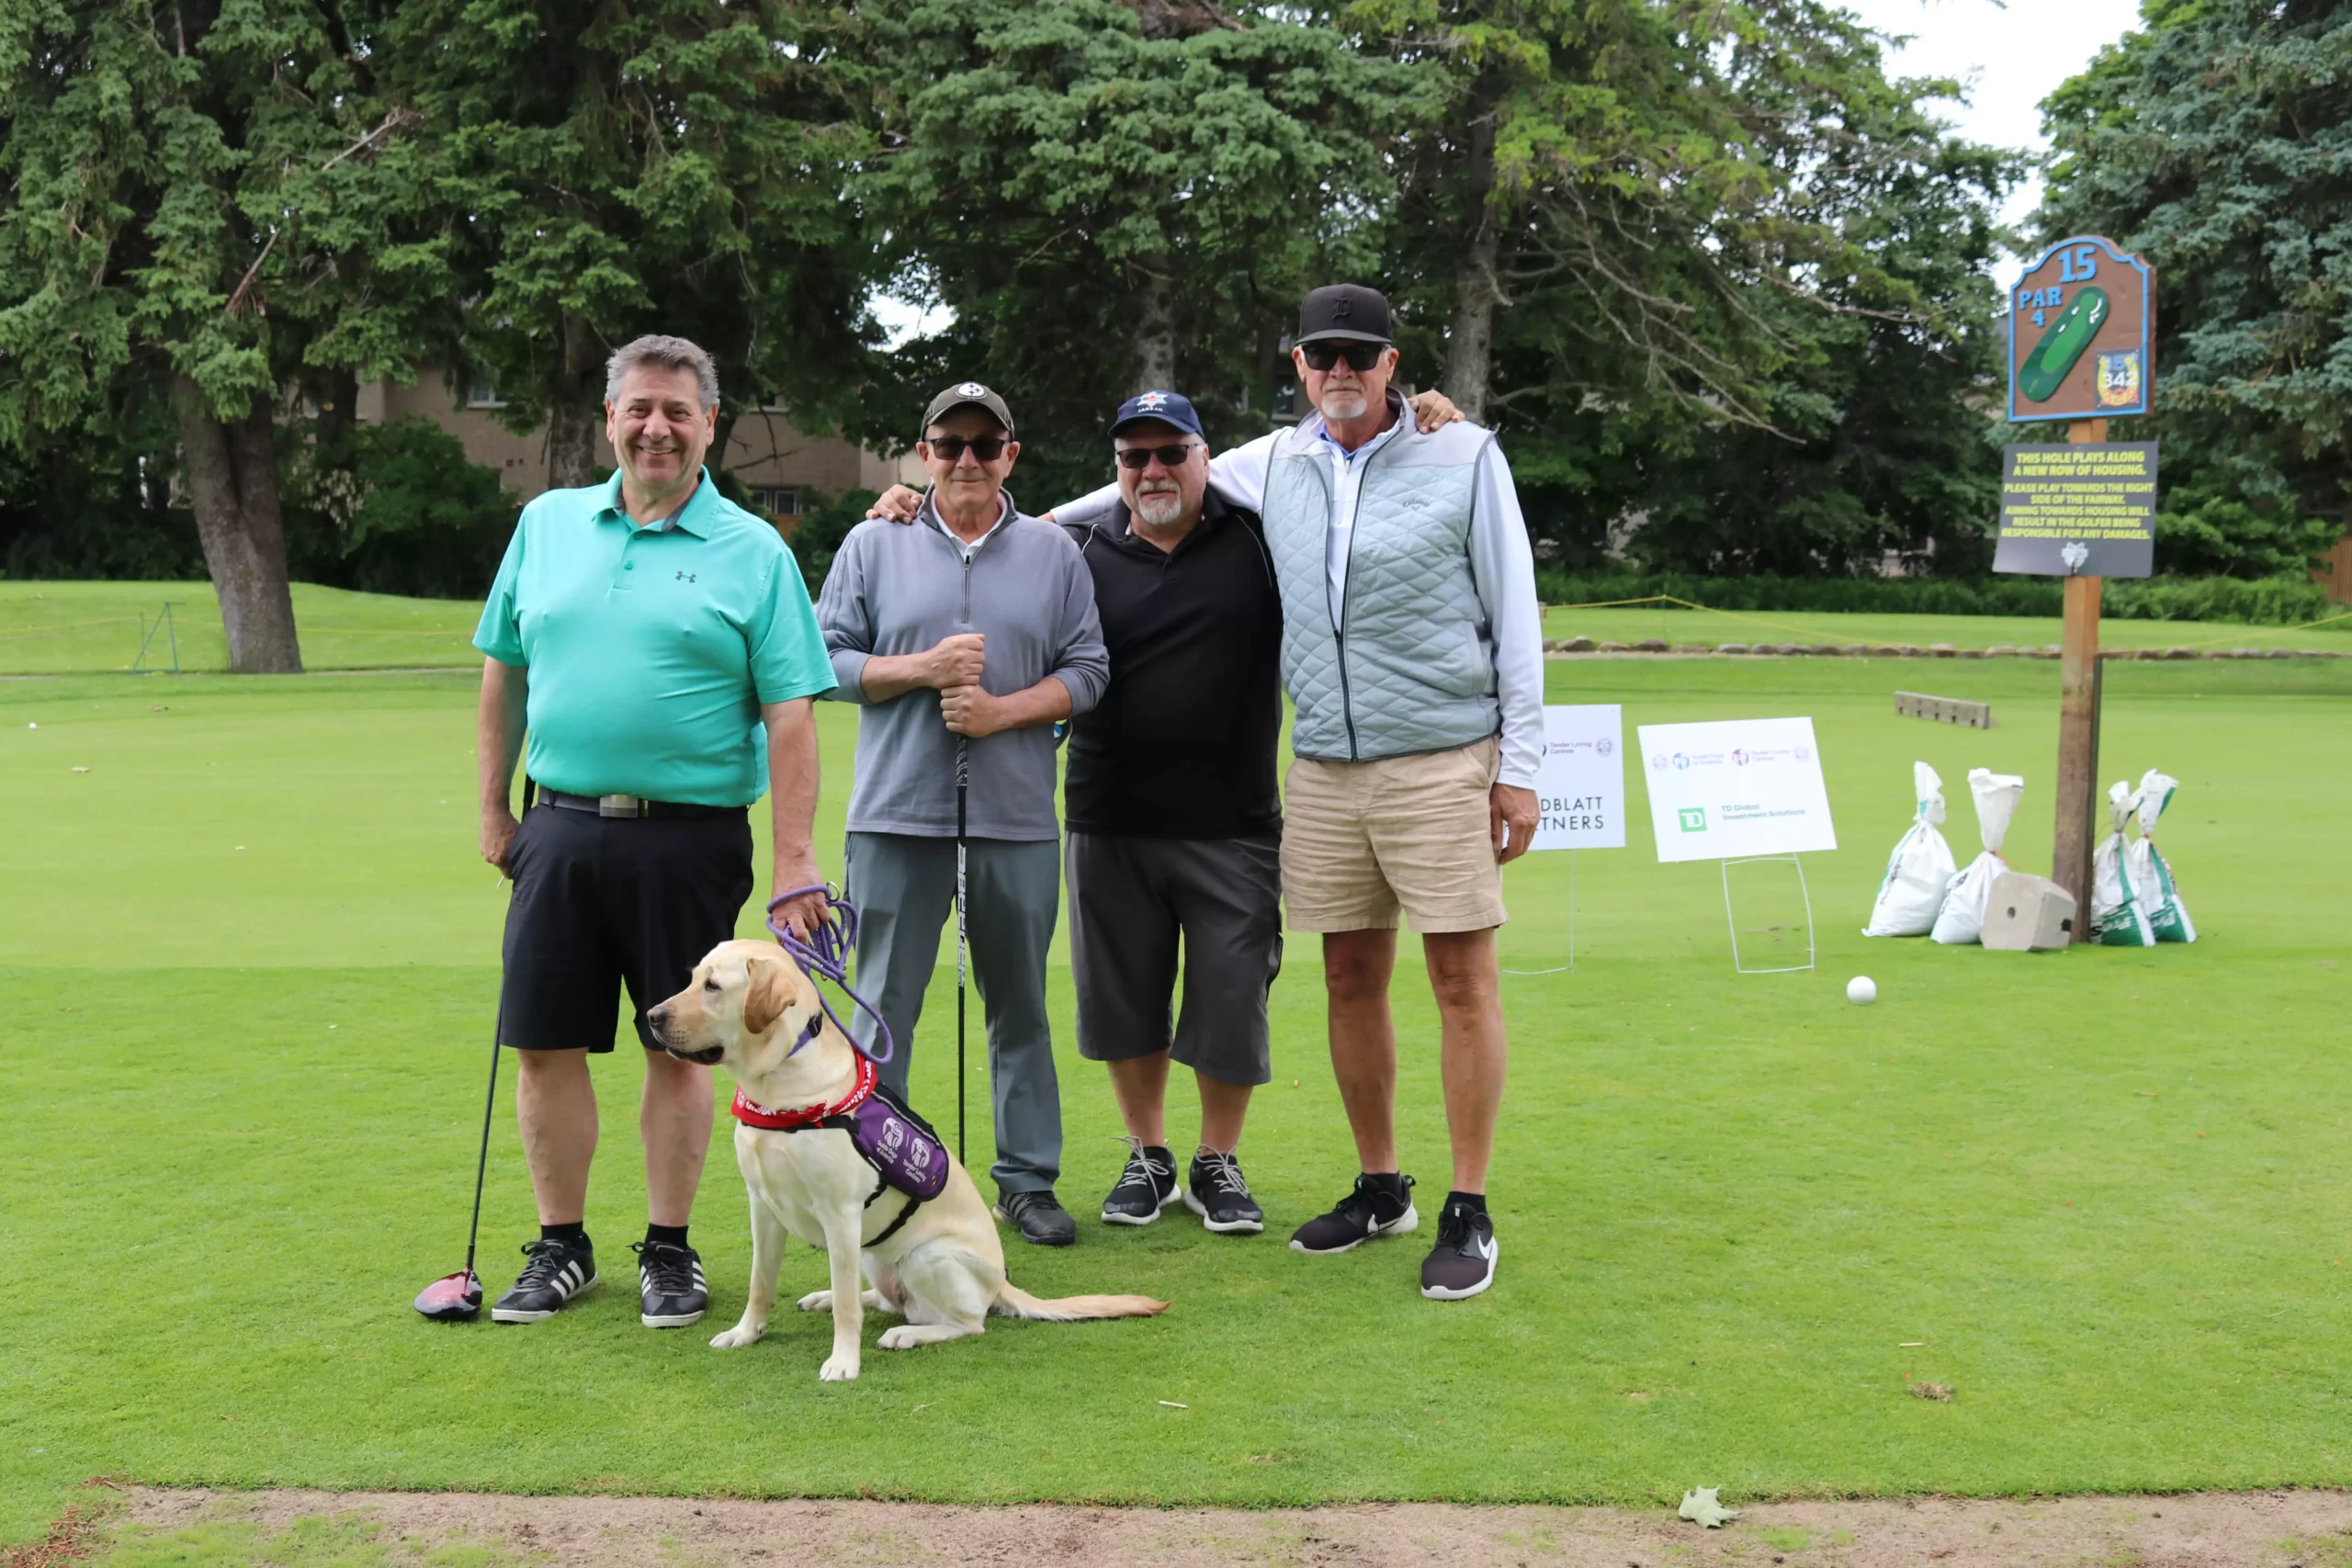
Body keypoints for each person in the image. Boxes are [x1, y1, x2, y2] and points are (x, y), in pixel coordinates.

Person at [1052, 286, 1543, 1300]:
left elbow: (1516, 610)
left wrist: (1521, 768)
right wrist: (962, 516)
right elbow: (1133, 489)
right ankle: (1380, 1186)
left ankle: (1468, 1204)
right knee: (1348, 978)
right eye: (1324, 355)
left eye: (1361, 354)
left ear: (1392, 363)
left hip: (1442, 756)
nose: (1341, 371)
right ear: (1301, 366)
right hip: (1322, 767)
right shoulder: (1273, 461)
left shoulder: (1464, 454)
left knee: (1460, 982)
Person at [473, 333, 837, 1328]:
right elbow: (504, 670)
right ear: (610, 418)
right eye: (639, 407)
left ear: (709, 424)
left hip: (690, 838)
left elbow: (791, 713)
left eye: (678, 411)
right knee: (545, 1042)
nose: (656, 428)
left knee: (681, 1048)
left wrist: (797, 858)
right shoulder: (545, 525)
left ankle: (669, 1249)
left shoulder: (754, 551)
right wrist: (494, 807)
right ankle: (561, 1246)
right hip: (559, 828)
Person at [815, 381, 1109, 1247]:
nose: (968, 459)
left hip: (1014, 819)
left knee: (1019, 1006)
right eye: (950, 444)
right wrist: (924, 669)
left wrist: (1002, 711)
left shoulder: (1055, 553)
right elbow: (825, 660)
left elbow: (1089, 670)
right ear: (924, 453)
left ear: (1011, 454)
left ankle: (1026, 1179)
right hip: (895, 815)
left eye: (986, 444)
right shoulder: (875, 541)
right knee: (881, 1009)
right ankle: (879, 1176)